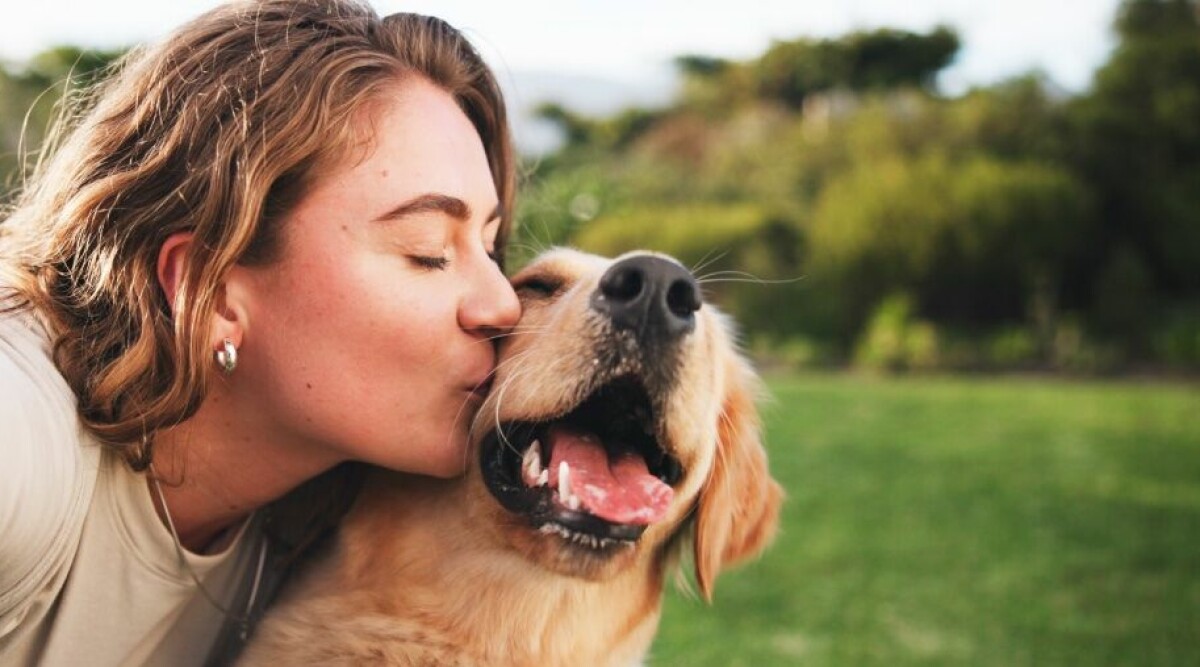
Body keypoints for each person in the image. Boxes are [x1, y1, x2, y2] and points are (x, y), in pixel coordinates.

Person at [0, 0, 521, 663]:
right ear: (208, 289)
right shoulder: (23, 442)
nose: (502, 304)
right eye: (428, 251)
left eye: (492, 246)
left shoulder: (330, 517)